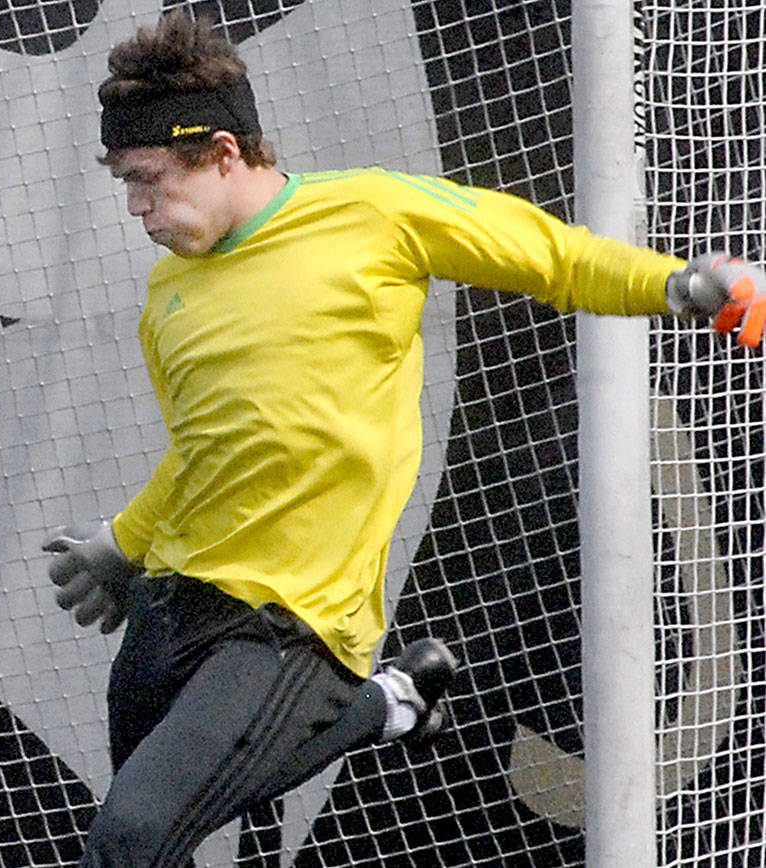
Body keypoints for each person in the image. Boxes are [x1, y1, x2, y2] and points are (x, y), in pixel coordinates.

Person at [41, 10, 766, 867]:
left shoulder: (373, 214)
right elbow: (208, 453)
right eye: (126, 183)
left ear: (224, 153)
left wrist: (676, 284)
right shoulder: (168, 293)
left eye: (148, 179)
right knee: (146, 848)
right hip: (167, 612)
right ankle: (391, 708)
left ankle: (375, 703)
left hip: (287, 622)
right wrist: (124, 549)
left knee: (128, 840)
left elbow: (552, 257)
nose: (136, 206)